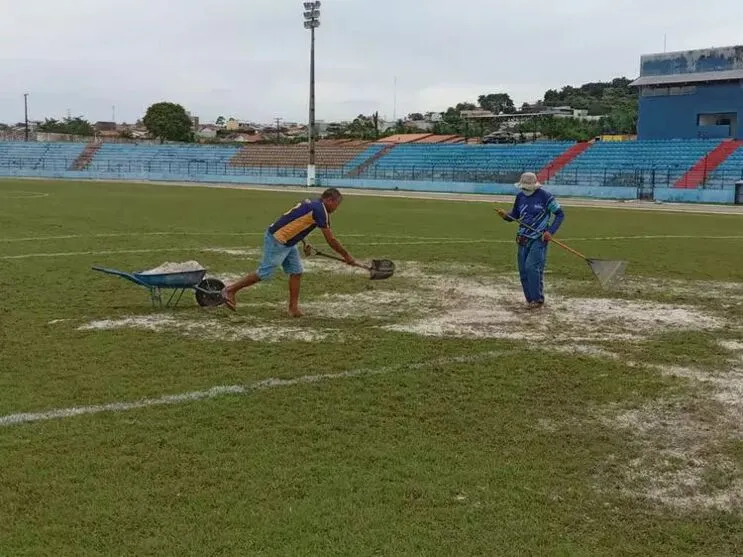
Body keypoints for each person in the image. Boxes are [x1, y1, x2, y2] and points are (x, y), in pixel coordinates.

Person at [221, 187, 356, 317]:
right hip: (278, 240)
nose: (336, 208)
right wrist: (347, 256)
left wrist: (305, 241)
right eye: (337, 204)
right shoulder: (320, 210)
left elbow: (296, 222)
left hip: (288, 242)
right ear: (330, 200)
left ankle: (293, 308)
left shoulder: (313, 203)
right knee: (264, 273)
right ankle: (230, 290)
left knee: (296, 271)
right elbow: (331, 240)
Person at [496, 172, 564, 310]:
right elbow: (515, 215)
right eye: (523, 188)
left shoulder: (545, 197)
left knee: (532, 267)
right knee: (523, 270)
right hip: (522, 237)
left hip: (539, 239)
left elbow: (560, 214)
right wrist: (505, 215)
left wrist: (550, 231)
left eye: (527, 188)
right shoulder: (520, 197)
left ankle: (537, 299)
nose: (525, 190)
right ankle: (530, 300)